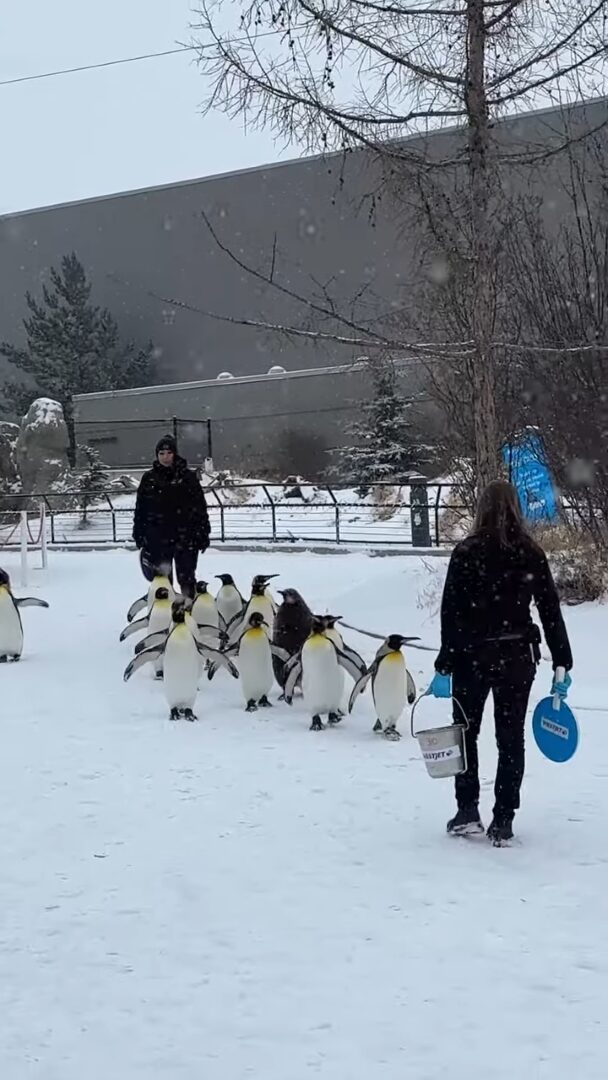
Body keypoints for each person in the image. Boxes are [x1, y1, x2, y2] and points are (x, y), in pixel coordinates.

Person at [428, 479, 573, 844]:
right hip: (517, 657)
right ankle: (504, 818)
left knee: (466, 733)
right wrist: (562, 660)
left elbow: (451, 612)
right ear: (516, 508)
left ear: (481, 509)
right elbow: (550, 610)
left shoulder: (466, 552)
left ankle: (466, 810)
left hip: (471, 657)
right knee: (511, 738)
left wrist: (445, 662)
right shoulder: (530, 552)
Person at [133, 435, 210, 600]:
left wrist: (203, 533)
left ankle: (189, 611)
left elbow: (200, 508)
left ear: (175, 453)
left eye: (168, 452)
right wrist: (139, 533)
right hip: (158, 537)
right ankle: (167, 616)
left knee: (187, 578)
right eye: (161, 453)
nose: (165, 457)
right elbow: (141, 509)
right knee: (162, 580)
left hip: (186, 536)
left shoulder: (187, 477)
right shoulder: (150, 479)